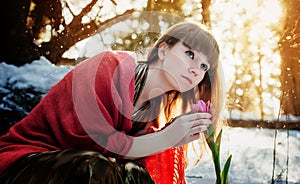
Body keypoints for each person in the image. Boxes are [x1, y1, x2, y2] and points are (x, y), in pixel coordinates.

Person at [0, 21, 224, 184]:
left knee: (136, 175)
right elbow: (90, 142)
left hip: (67, 172)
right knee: (94, 167)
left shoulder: (152, 115)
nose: (196, 69)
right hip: (22, 164)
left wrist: (172, 138)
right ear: (163, 50)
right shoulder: (109, 67)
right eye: (190, 54)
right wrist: (166, 137)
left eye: (205, 67)